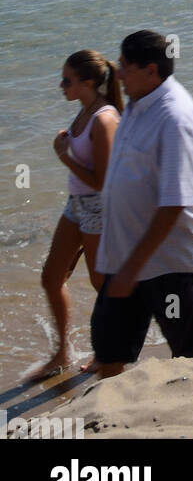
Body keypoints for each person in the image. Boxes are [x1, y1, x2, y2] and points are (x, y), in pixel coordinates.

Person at [91, 30, 193, 377]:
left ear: (151, 71)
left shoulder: (176, 119)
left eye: (125, 67)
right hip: (126, 260)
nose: (118, 74)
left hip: (166, 267)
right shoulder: (137, 104)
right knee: (109, 347)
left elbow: (175, 203)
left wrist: (132, 268)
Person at [32, 51, 122, 380]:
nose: (60, 85)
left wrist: (64, 156)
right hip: (76, 204)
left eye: (67, 80)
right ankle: (60, 354)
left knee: (103, 285)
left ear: (87, 82)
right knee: (51, 278)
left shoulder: (104, 118)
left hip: (100, 208)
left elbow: (103, 180)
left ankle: (110, 355)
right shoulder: (85, 111)